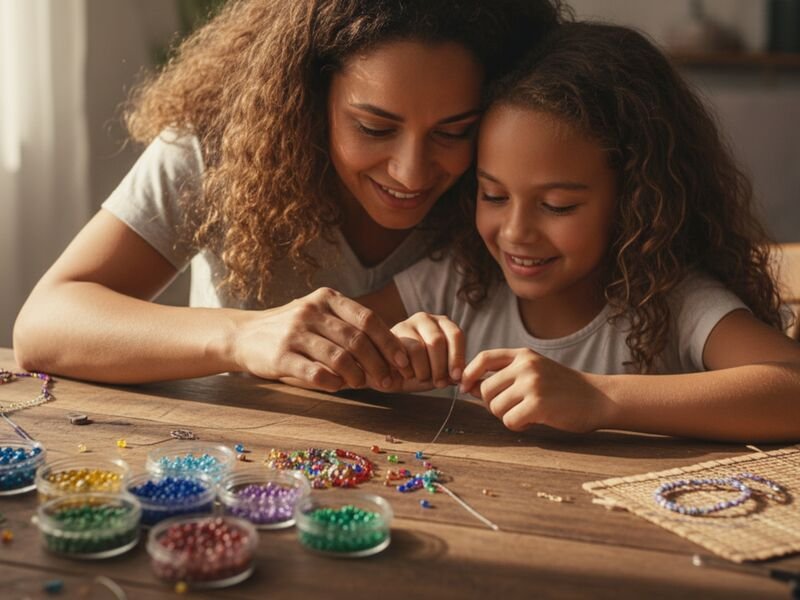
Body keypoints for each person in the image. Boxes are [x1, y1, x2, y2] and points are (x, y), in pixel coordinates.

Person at [13, 0, 563, 390]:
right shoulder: (218, 148)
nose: (412, 172)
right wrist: (241, 336)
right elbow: (45, 323)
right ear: (307, 96)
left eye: (453, 131)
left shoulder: (510, 183)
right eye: (374, 128)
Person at [361, 22, 800, 442]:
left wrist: (599, 397)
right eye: (493, 195)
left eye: (557, 206)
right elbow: (329, 340)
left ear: (635, 202)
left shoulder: (673, 302)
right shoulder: (459, 279)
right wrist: (389, 351)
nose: (516, 232)